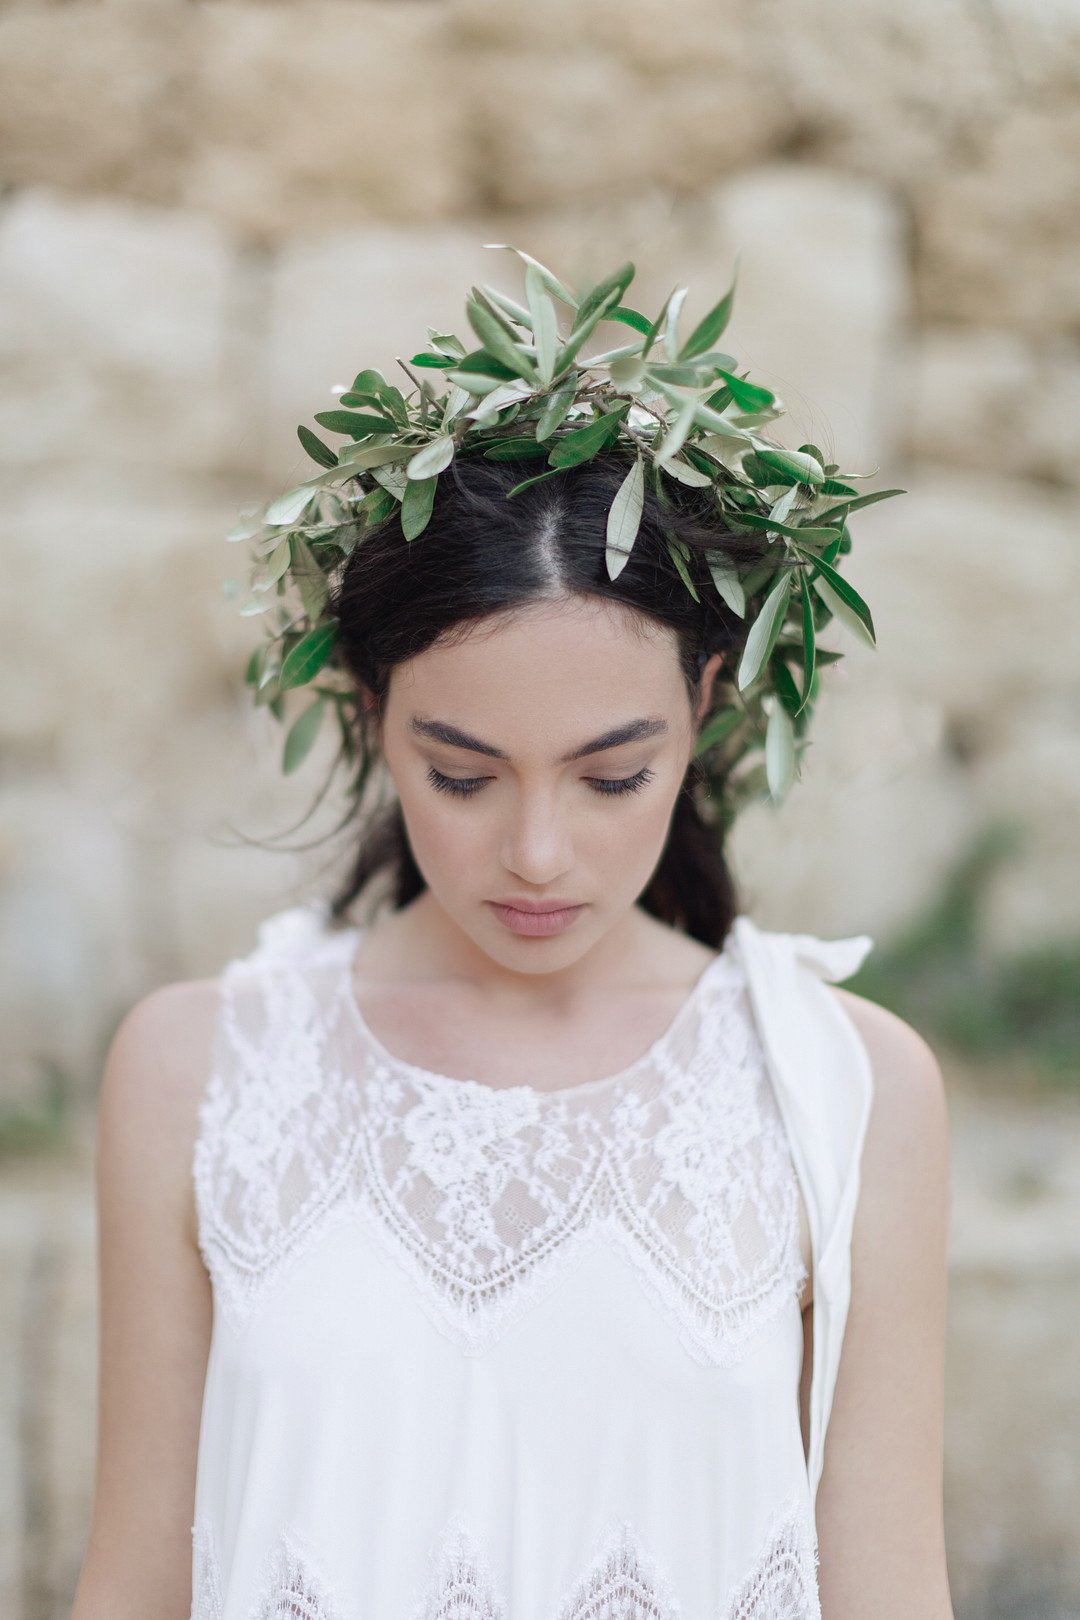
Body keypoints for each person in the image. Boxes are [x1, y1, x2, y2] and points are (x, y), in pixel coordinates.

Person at [71, 259, 954, 1619]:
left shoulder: (846, 1091)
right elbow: (133, 1582)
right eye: (464, 774)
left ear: (708, 709)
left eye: (610, 776)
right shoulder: (199, 1071)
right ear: (370, 715)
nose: (538, 853)